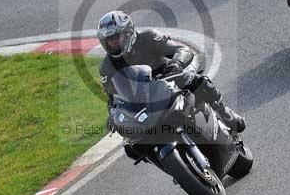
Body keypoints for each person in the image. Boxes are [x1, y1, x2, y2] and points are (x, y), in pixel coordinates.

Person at [97, 11, 245, 158]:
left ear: (128, 32)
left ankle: (225, 114)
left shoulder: (148, 37)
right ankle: (166, 161)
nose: (113, 43)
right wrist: (112, 115)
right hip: (142, 100)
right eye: (109, 40)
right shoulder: (106, 67)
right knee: (131, 146)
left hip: (170, 77)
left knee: (198, 81)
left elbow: (182, 50)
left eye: (116, 37)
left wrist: (176, 63)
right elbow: (112, 98)